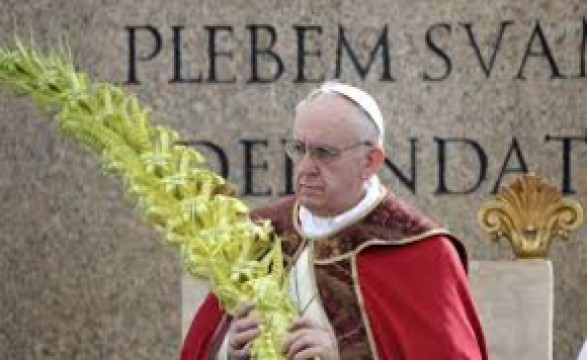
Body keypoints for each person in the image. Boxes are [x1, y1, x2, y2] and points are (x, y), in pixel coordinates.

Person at [181, 82, 488, 360]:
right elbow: (201, 346)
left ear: (370, 161)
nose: (305, 168)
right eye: (299, 149)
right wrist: (228, 351)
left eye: (324, 153)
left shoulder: (421, 252)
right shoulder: (260, 233)